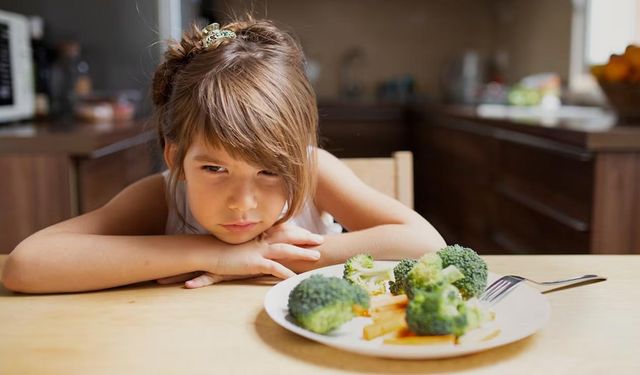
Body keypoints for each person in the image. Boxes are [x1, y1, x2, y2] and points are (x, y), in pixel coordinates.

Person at [2, 18, 446, 294]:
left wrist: (275, 254)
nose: (243, 203)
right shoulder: (164, 195)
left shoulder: (314, 171)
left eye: (270, 170)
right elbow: (26, 265)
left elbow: (427, 244)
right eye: (214, 168)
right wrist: (209, 253)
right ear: (175, 157)